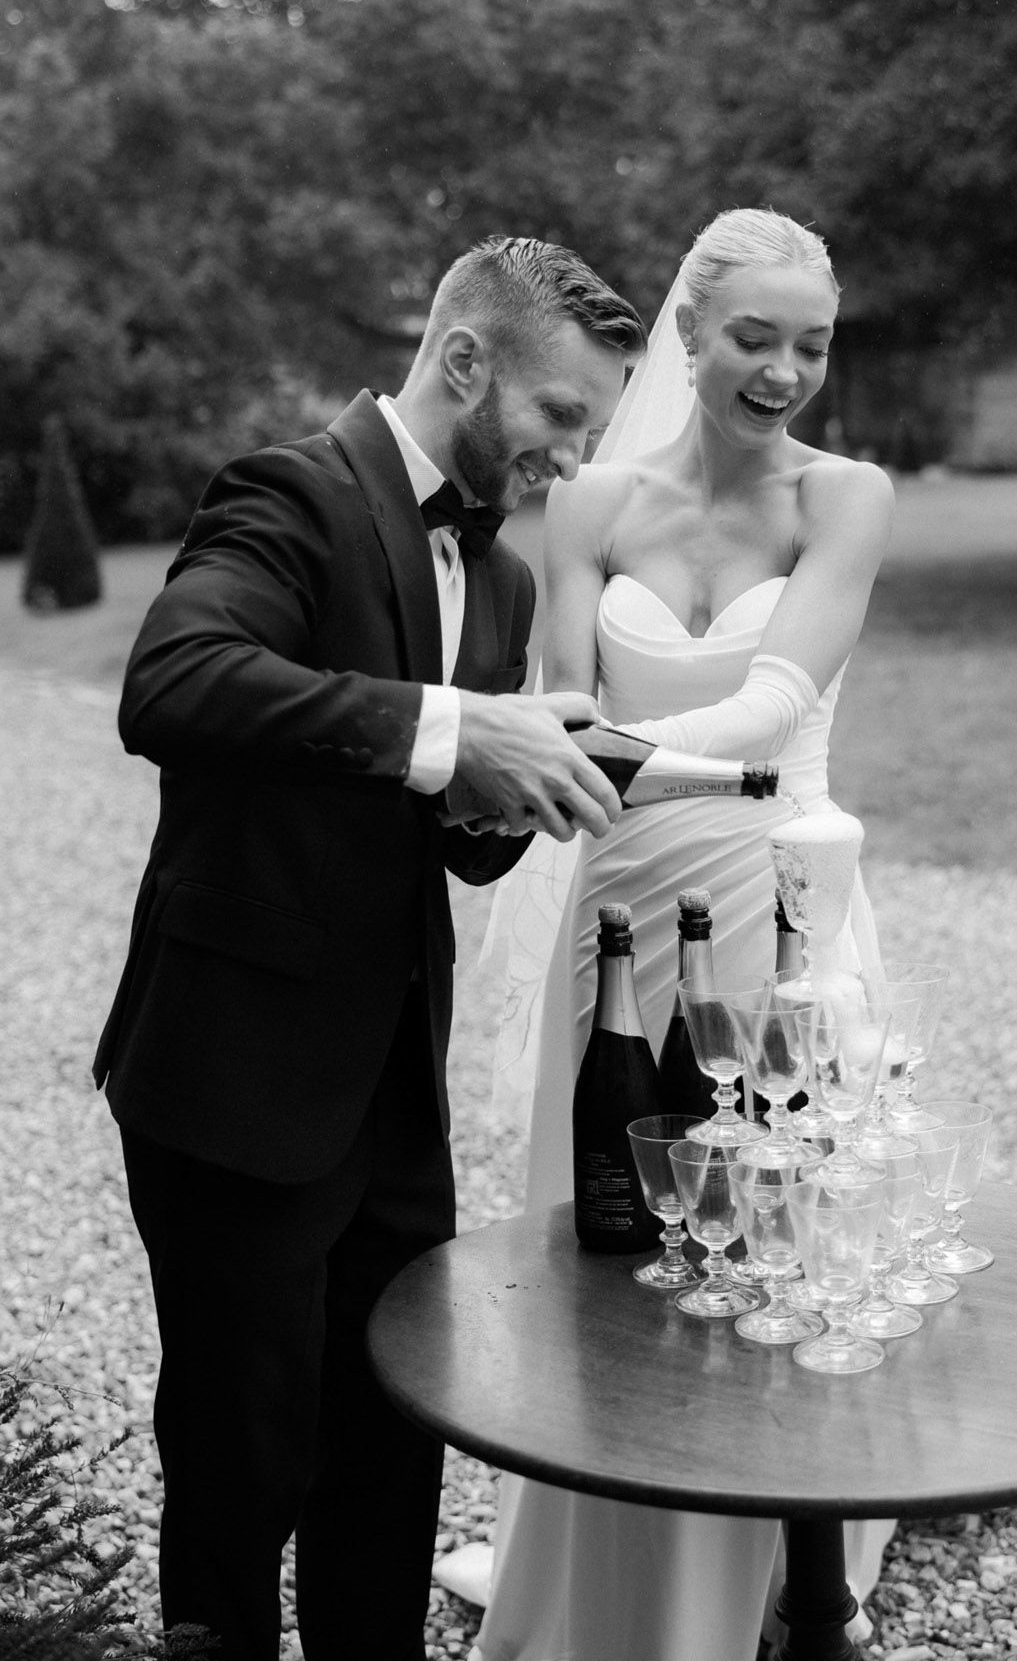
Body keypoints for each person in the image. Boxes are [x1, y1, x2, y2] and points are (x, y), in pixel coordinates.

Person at [92, 235, 648, 1661]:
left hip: (394, 1087)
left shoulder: (504, 581)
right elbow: (175, 683)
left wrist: (522, 783)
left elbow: (446, 829)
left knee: (393, 1451)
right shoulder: (289, 493)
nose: (574, 458)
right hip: (235, 1080)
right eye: (561, 414)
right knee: (243, 1454)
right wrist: (455, 731)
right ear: (464, 360)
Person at [462, 208, 897, 1661]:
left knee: (767, 1242)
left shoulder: (846, 497)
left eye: (812, 346)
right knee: (609, 1238)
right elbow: (562, 697)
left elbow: (773, 706)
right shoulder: (589, 503)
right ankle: (609, 1587)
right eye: (754, 339)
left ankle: (780, 1577)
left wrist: (599, 748)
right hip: (618, 906)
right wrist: (559, 738)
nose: (784, 372)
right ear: (689, 336)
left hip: (783, 909)